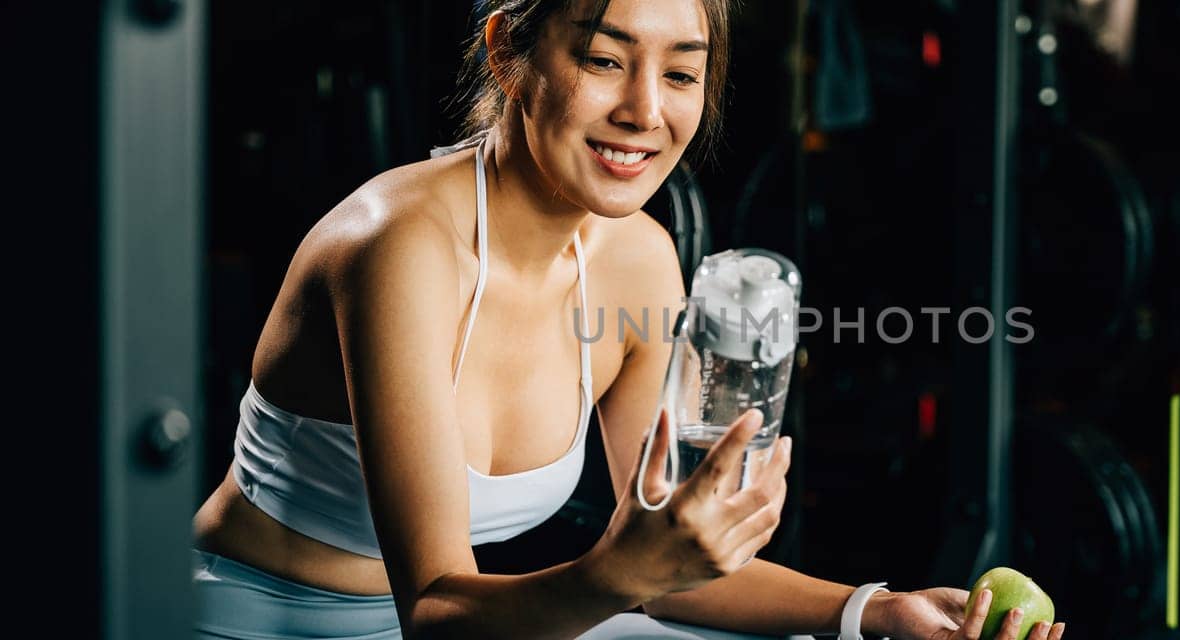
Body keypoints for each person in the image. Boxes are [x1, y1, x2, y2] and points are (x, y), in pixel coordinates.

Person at [190, 1, 1068, 638]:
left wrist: (873, 611)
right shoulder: (400, 248)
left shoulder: (638, 256)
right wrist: (617, 573)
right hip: (260, 621)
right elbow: (436, 611)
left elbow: (669, 580)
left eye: (681, 73)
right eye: (606, 60)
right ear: (508, 53)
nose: (646, 112)